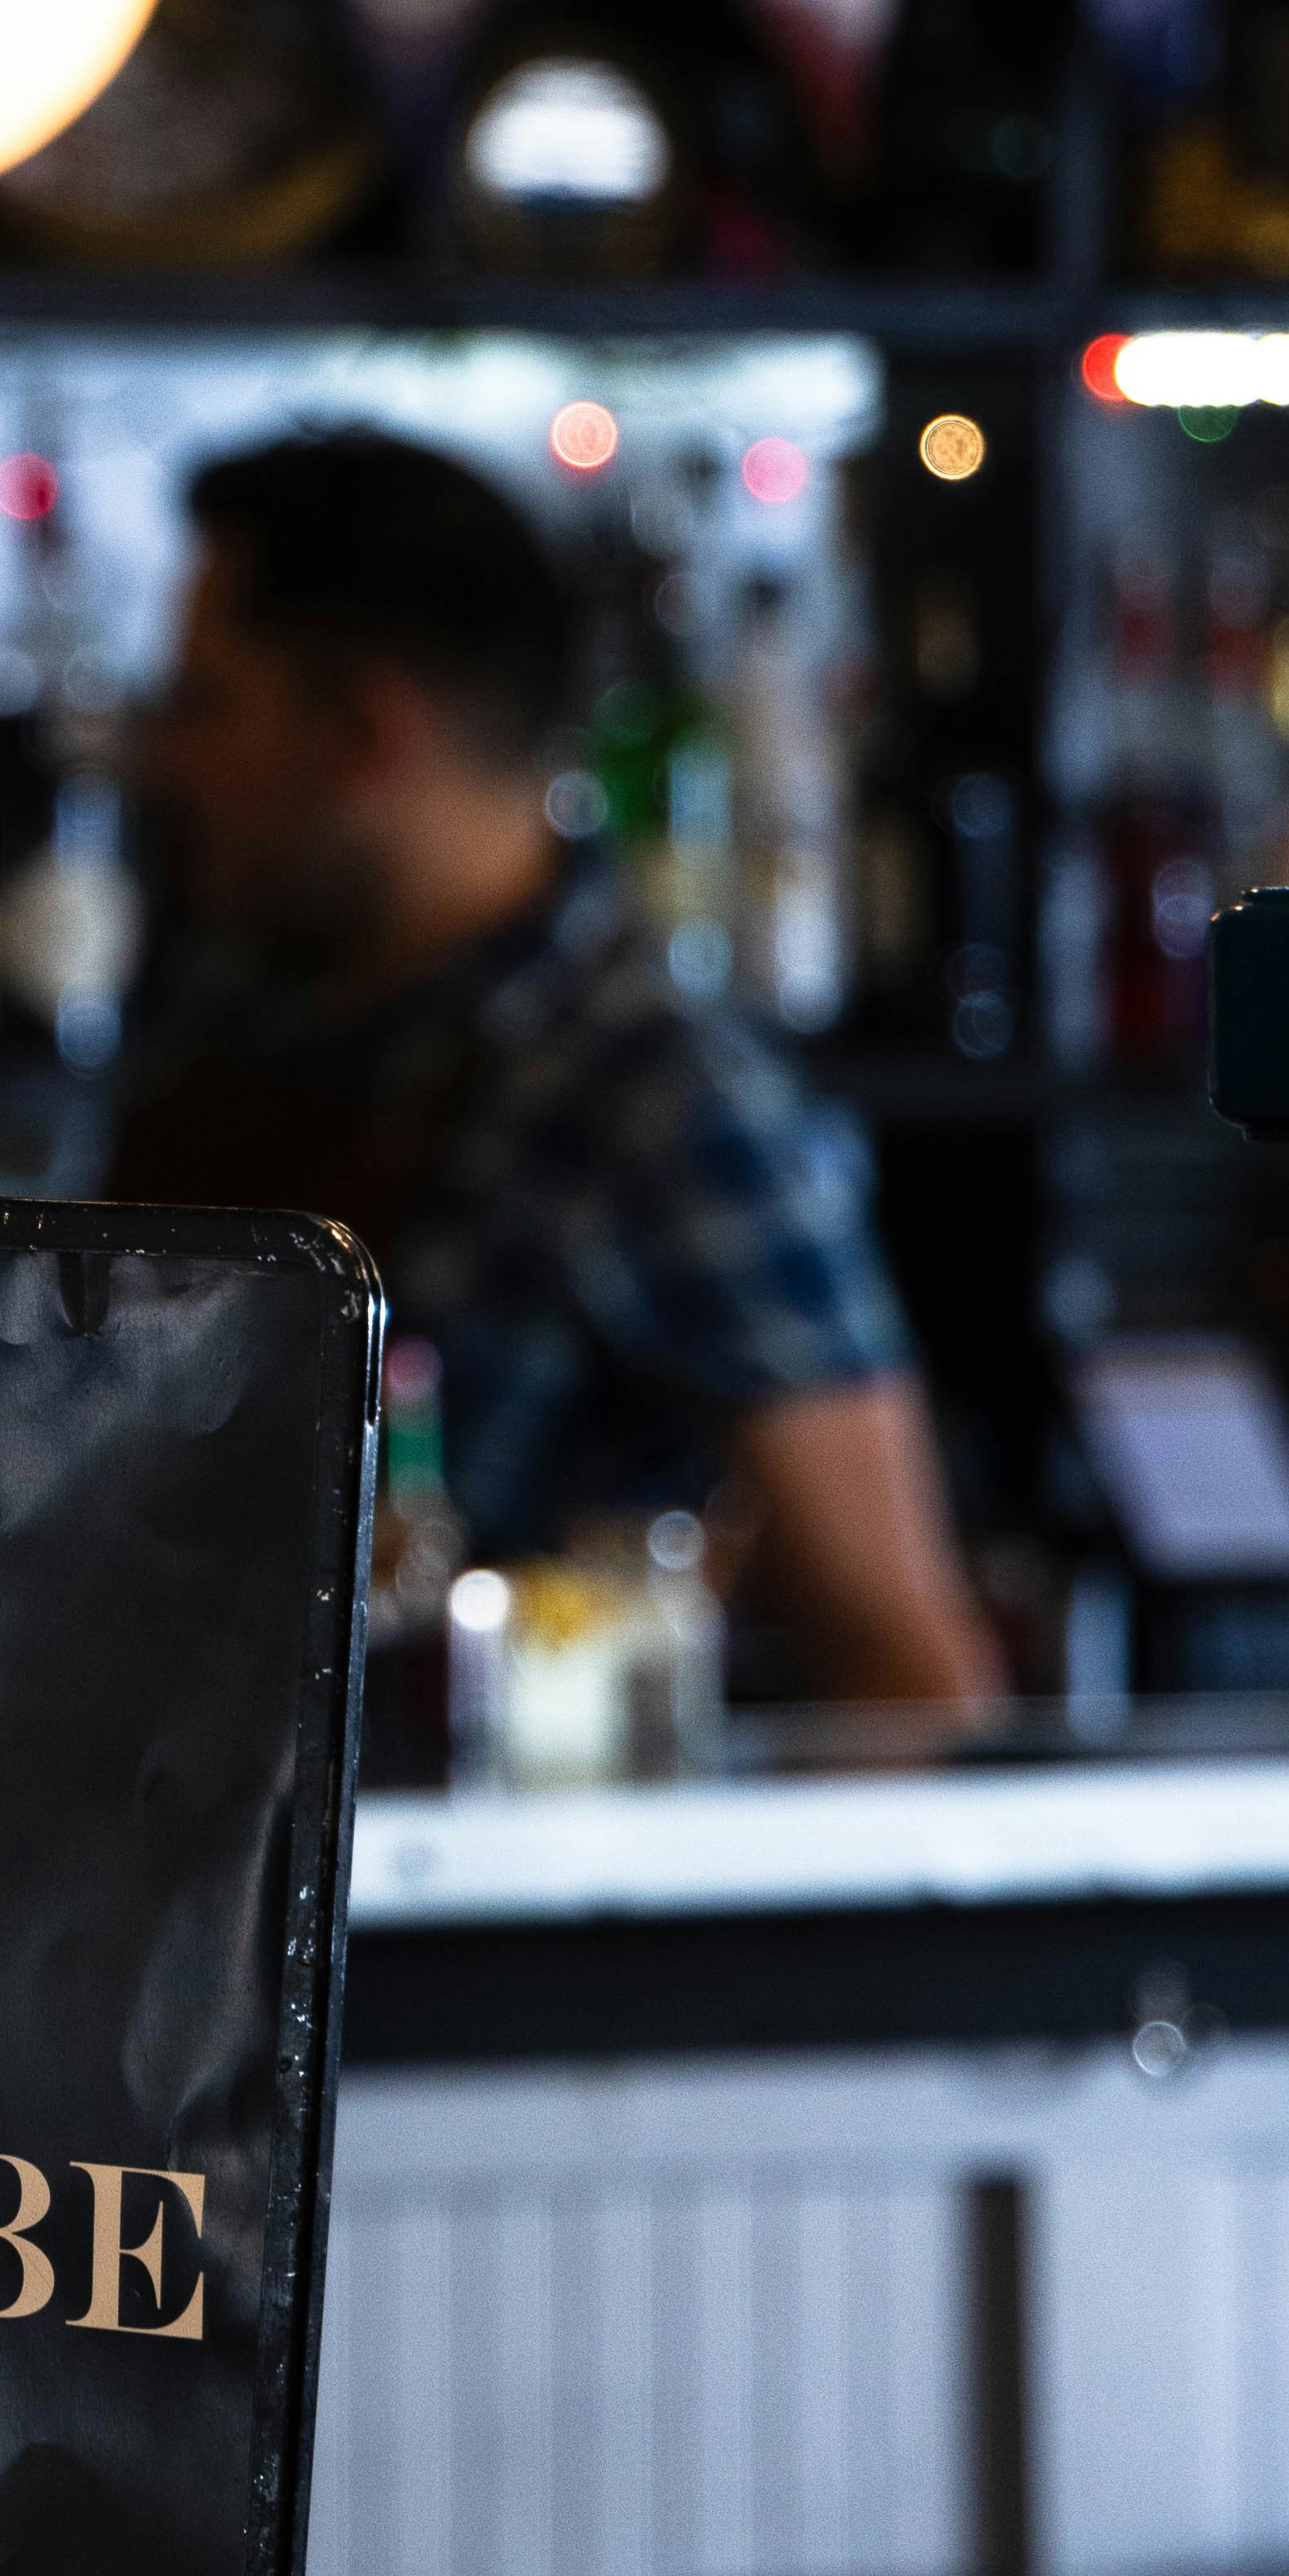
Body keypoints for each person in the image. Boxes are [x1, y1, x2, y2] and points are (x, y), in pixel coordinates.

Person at [112, 422, 1001, 1708]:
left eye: (204, 705)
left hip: (475, 1880)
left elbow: (911, 1669)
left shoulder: (664, 1096)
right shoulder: (231, 1015)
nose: (164, 760)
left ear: (369, 735)